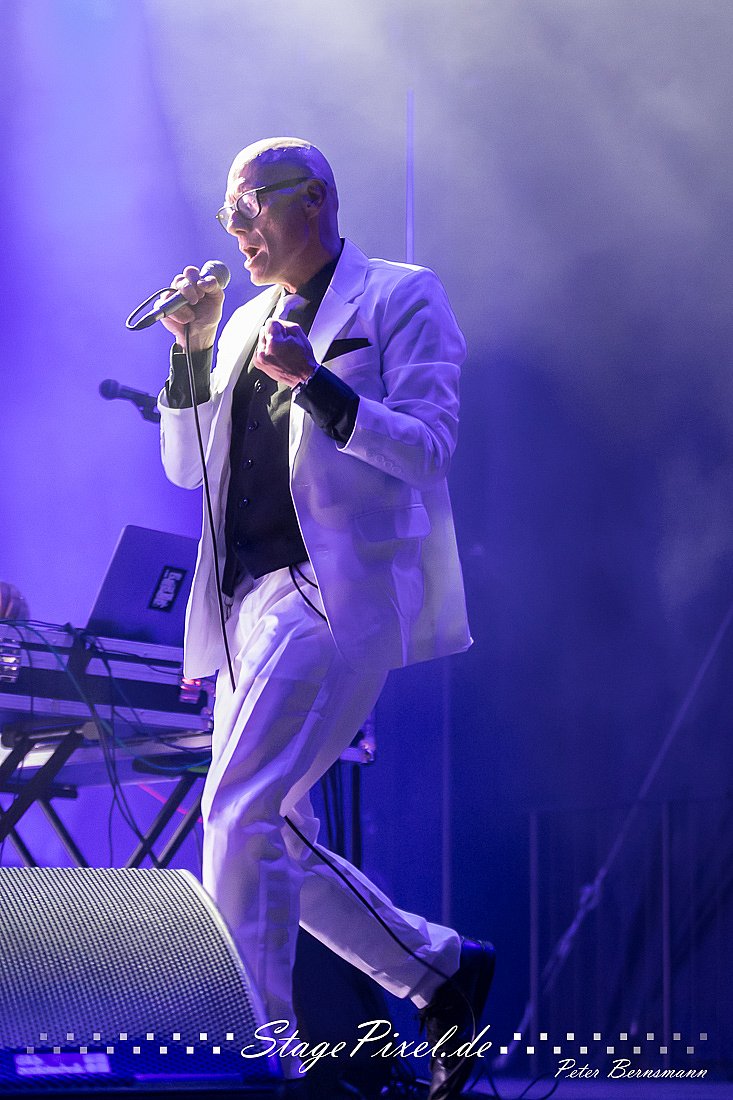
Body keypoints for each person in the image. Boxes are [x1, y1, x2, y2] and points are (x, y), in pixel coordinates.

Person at [157, 137, 494, 1098]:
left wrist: (320, 383)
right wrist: (190, 350)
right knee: (274, 829)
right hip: (244, 606)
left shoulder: (399, 295)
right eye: (227, 214)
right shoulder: (242, 320)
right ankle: (437, 968)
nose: (236, 229)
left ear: (313, 199)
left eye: (249, 206)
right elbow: (186, 466)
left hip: (334, 592)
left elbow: (428, 447)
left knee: (237, 814)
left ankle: (261, 1063)